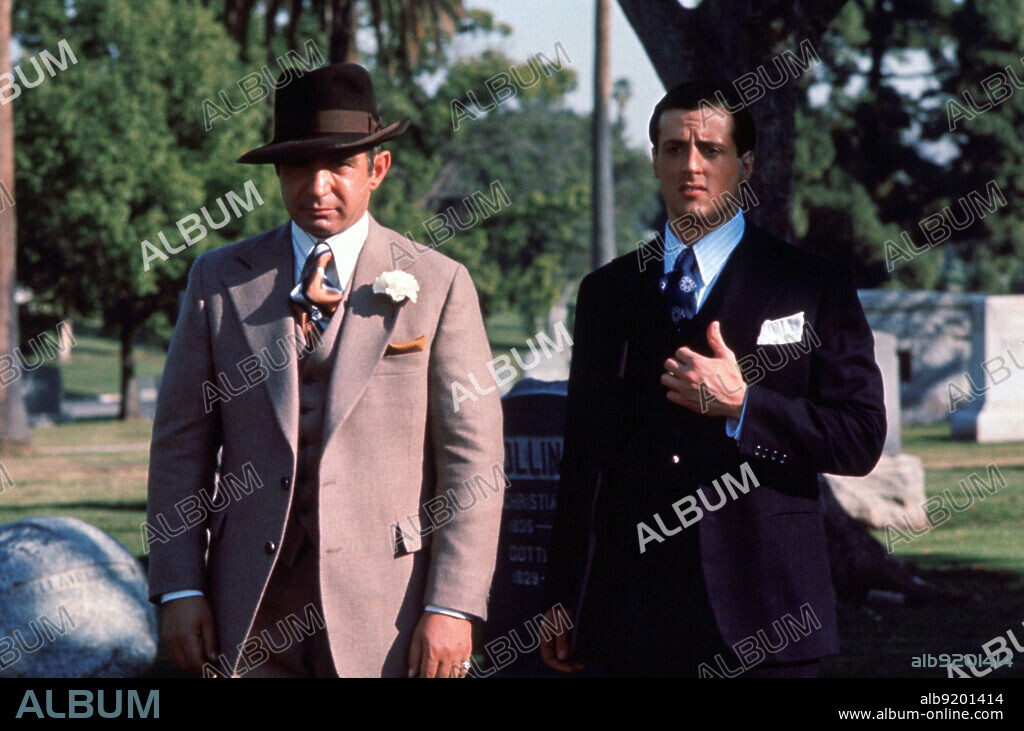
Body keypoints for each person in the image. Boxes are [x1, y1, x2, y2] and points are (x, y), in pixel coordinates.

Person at [146, 63, 504, 678]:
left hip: (388, 613)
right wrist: (178, 589)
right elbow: (181, 448)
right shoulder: (219, 279)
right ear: (277, 174)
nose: (318, 187)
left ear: (377, 171)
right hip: (247, 609)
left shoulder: (439, 285)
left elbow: (473, 461)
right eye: (299, 166)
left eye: (338, 166)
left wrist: (453, 605)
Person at [540, 81, 886, 678]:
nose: (690, 165)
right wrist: (561, 595)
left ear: (745, 165)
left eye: (710, 150)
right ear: (653, 160)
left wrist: (743, 405)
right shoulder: (607, 292)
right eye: (674, 149)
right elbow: (582, 460)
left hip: (771, 617)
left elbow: (859, 438)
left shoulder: (810, 283)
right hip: (634, 620)